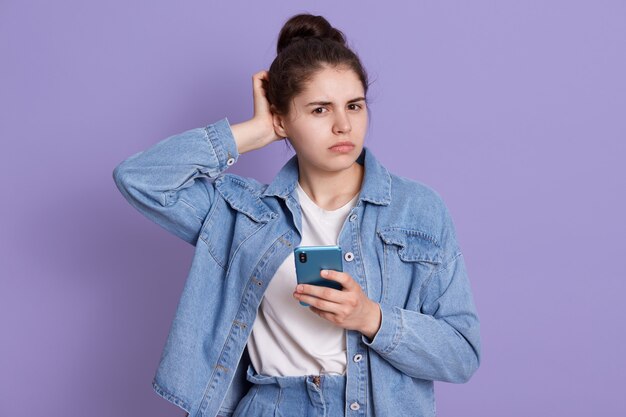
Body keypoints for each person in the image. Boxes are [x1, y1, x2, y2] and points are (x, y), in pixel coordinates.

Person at [113, 13, 480, 417]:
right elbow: (140, 179)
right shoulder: (242, 213)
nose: (343, 125)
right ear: (283, 118)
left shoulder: (418, 210)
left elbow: (462, 354)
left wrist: (371, 318)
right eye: (320, 110)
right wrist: (255, 131)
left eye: (354, 105)